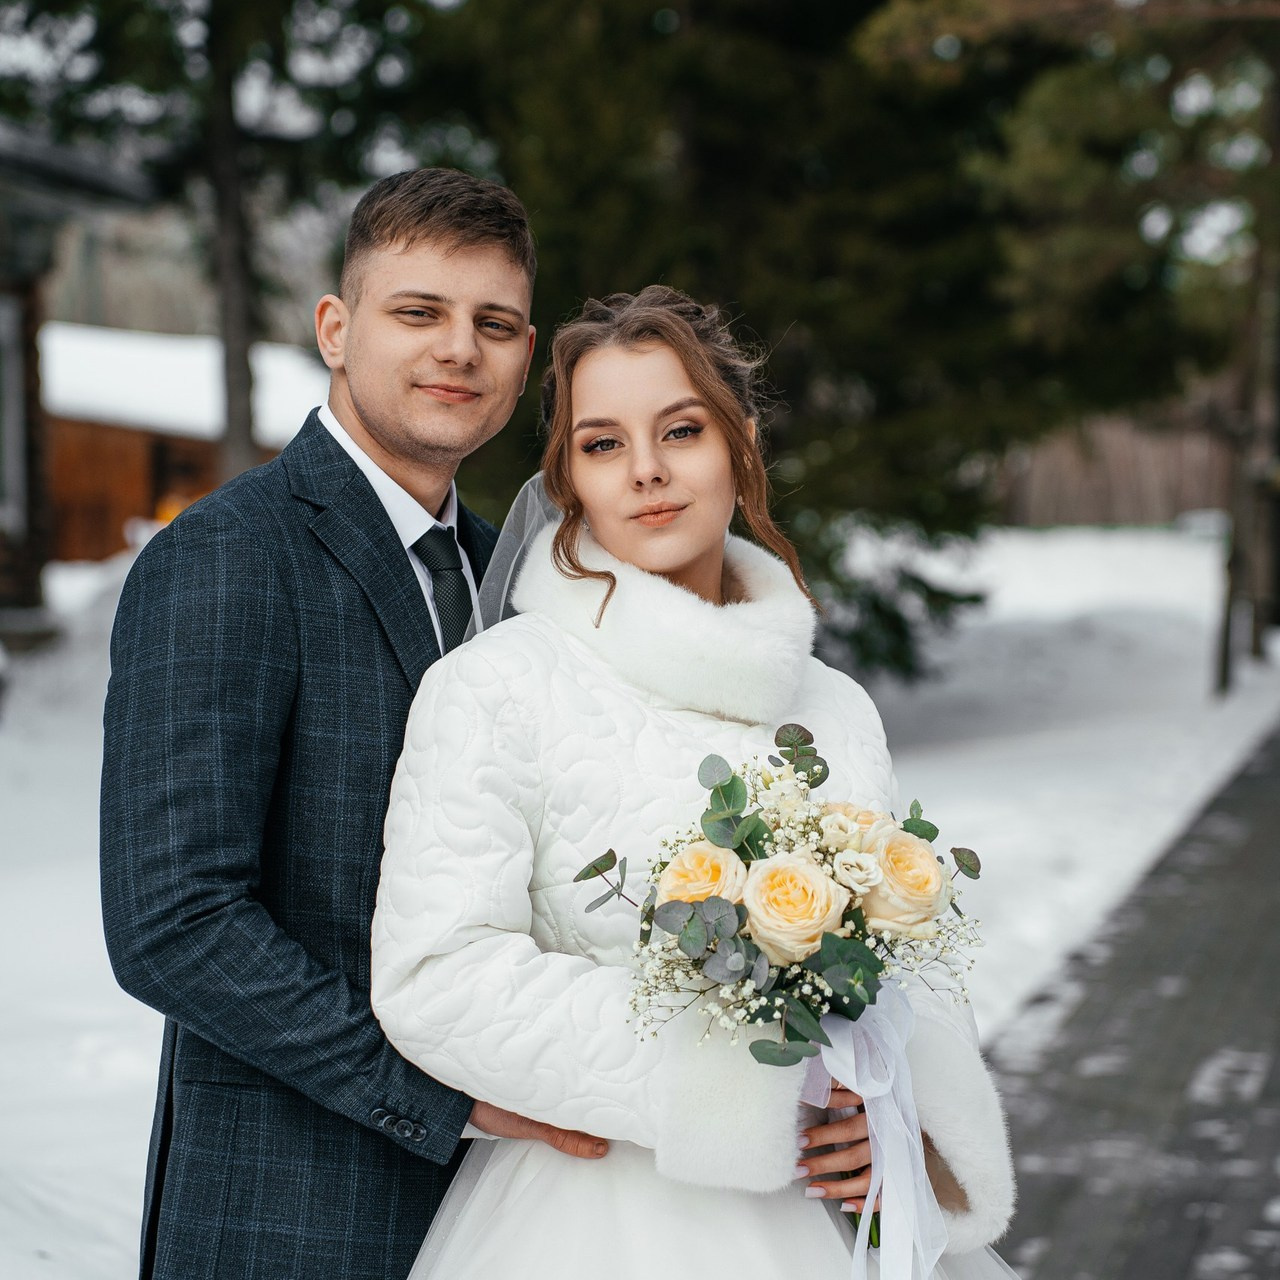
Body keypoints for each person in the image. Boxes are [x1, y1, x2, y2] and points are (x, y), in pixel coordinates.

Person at [371, 286, 1019, 1278]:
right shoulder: (495, 689)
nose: (644, 470)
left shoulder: (833, 707)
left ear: (741, 443)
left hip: (825, 1212)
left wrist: (892, 1121)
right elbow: (435, 971)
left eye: (680, 429)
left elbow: (911, 961)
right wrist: (735, 1079)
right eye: (600, 444)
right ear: (568, 479)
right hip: (591, 1217)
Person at [99, 168, 611, 1280]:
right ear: (336, 329)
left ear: (525, 358)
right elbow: (173, 920)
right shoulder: (230, 556)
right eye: (417, 311)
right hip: (290, 1210)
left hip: (516, 1215)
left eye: (494, 324)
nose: (458, 350)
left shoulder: (513, 577)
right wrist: (444, 1094)